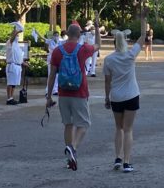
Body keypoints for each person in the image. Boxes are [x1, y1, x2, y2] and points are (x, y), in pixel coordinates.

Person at [46, 23, 96, 171]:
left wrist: (48, 96)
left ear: (67, 34)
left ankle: (70, 158)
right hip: (79, 92)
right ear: (79, 35)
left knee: (68, 124)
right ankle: (72, 148)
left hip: (63, 93)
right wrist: (98, 26)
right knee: (84, 123)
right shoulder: (83, 49)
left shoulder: (57, 51)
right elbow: (98, 46)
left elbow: (52, 75)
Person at [103, 30, 142, 173]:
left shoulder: (109, 59)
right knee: (128, 129)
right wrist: (143, 20)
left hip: (116, 97)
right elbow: (142, 36)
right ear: (125, 43)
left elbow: (107, 81)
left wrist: (107, 98)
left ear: (114, 44)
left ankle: (117, 158)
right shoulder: (131, 55)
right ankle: (127, 162)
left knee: (118, 128)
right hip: (132, 95)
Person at [5, 23, 26, 105]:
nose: (17, 37)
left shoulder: (17, 45)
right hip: (12, 65)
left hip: (17, 66)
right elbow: (12, 38)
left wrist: (23, 63)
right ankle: (9, 98)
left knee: (14, 83)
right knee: (10, 82)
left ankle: (11, 97)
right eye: (16, 35)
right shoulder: (10, 42)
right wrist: (17, 31)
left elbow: (19, 57)